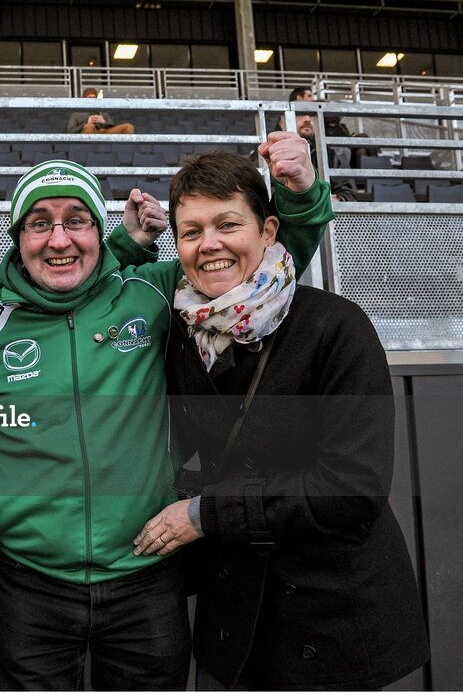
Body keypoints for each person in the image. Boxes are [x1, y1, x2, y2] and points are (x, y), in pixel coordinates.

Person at [0, 132, 334, 689]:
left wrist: (302, 192)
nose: (58, 238)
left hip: (146, 575)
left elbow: (259, 269)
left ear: (97, 231)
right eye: (39, 222)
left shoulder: (152, 293)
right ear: (16, 238)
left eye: (76, 220)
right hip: (30, 584)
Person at [132, 151, 430, 690]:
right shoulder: (180, 332)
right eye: (191, 231)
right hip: (239, 615)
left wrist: (204, 514)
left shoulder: (335, 327)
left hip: (334, 617)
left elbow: (352, 488)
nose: (210, 245)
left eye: (228, 224)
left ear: (269, 230)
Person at [281, 87, 357, 201]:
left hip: (325, 216)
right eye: (300, 115)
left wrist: (338, 200)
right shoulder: (272, 155)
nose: (307, 119)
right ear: (282, 122)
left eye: (311, 115)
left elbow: (348, 193)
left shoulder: (329, 155)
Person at [66, 87, 135, 135]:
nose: (92, 100)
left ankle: (126, 151)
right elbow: (71, 131)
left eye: (94, 98)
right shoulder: (77, 114)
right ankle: (89, 150)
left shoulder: (102, 111)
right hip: (89, 131)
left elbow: (112, 126)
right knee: (89, 126)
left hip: (104, 132)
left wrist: (103, 122)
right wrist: (86, 123)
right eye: (89, 98)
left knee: (128, 127)